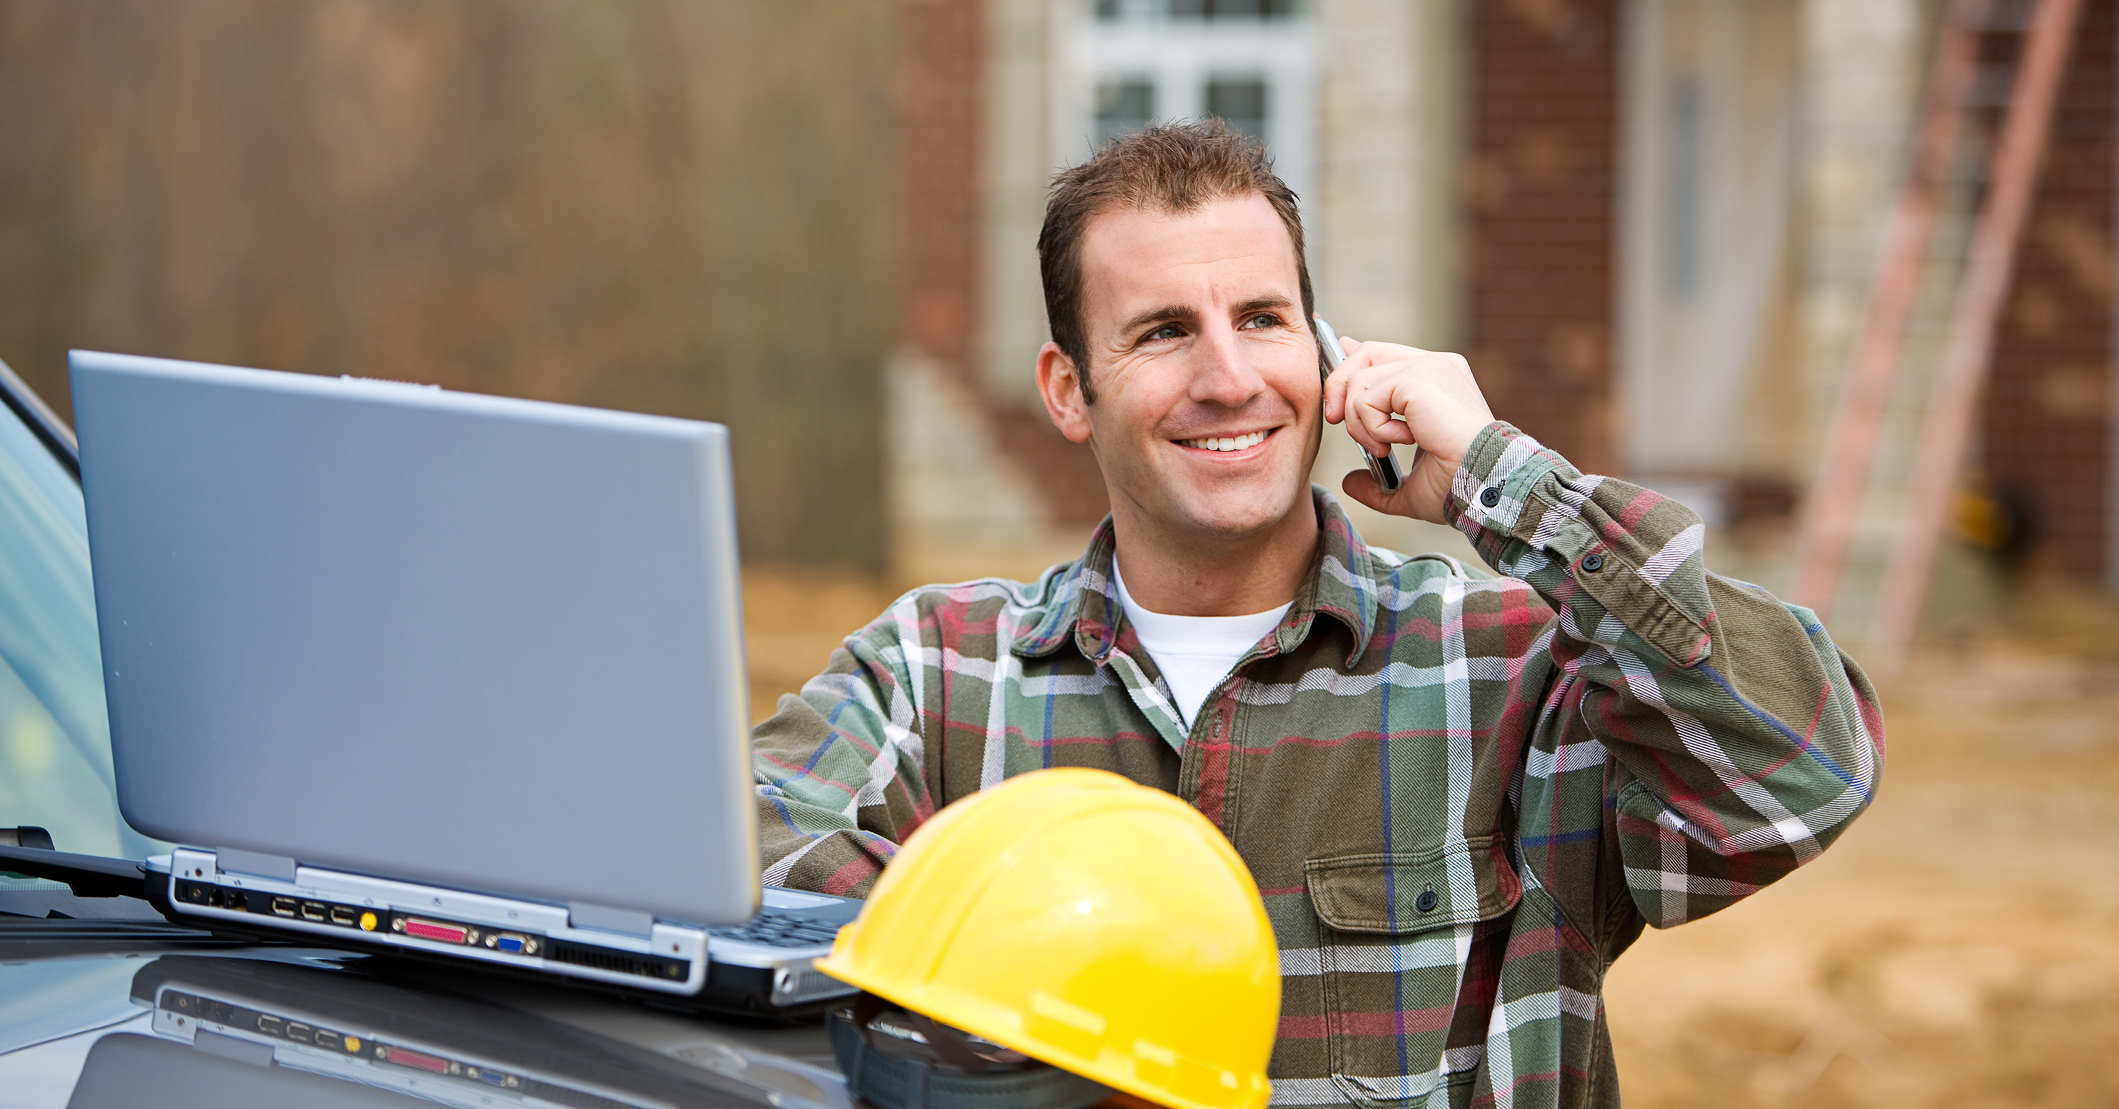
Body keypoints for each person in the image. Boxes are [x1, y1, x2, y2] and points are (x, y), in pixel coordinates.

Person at [752, 121, 1883, 1109]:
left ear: (1328, 356)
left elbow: (1799, 768)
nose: (1229, 375)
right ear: (1065, 387)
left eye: (1262, 318)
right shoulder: (941, 674)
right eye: (1161, 331)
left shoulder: (1512, 672)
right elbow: (729, 857)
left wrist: (1508, 484)